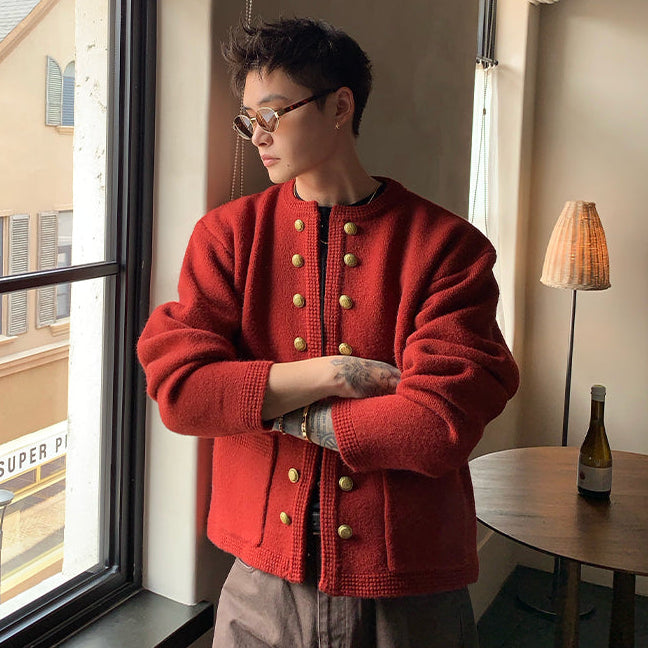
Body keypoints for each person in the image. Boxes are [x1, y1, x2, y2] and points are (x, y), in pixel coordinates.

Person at [137, 16, 519, 648]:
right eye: (248, 120)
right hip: (262, 581)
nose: (258, 136)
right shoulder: (227, 236)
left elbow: (437, 427)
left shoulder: (447, 247)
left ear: (341, 106)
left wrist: (260, 405)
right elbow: (183, 393)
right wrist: (333, 375)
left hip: (408, 585)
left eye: (272, 113)